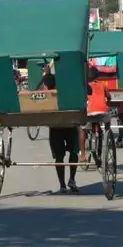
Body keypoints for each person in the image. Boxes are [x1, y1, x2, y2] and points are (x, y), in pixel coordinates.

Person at [40, 66, 81, 194]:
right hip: (63, 124)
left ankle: (68, 181)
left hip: (65, 123)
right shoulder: (60, 79)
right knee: (64, 155)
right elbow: (47, 80)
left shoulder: (70, 79)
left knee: (68, 154)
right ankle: (65, 182)